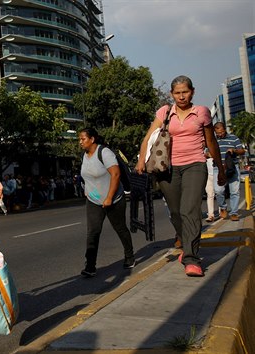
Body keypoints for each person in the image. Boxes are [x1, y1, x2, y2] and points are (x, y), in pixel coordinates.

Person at [135, 75, 225, 277]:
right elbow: (148, 137)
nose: (181, 96)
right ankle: (186, 243)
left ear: (192, 91)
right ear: (172, 94)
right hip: (168, 168)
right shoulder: (165, 112)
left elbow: (211, 142)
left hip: (195, 164)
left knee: (189, 210)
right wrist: (141, 160)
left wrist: (221, 169)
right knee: (175, 212)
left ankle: (192, 258)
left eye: (185, 92)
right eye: (177, 93)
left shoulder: (201, 112)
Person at [78, 128, 135, 277]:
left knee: (120, 228)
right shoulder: (84, 155)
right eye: (80, 139)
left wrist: (109, 198)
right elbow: (86, 176)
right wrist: (87, 190)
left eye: (83, 139)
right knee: (92, 232)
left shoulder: (104, 153)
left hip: (114, 199)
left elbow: (115, 174)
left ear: (92, 139)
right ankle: (90, 266)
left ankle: (129, 256)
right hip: (94, 200)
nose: (80, 142)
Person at [213, 122, 245, 221]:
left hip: (232, 167)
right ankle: (223, 207)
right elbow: (206, 152)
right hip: (218, 168)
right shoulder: (213, 140)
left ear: (225, 129)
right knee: (218, 190)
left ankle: (234, 213)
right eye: (217, 133)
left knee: (234, 191)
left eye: (221, 132)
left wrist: (234, 150)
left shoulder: (233, 138)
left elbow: (242, 151)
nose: (220, 134)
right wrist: (209, 154)